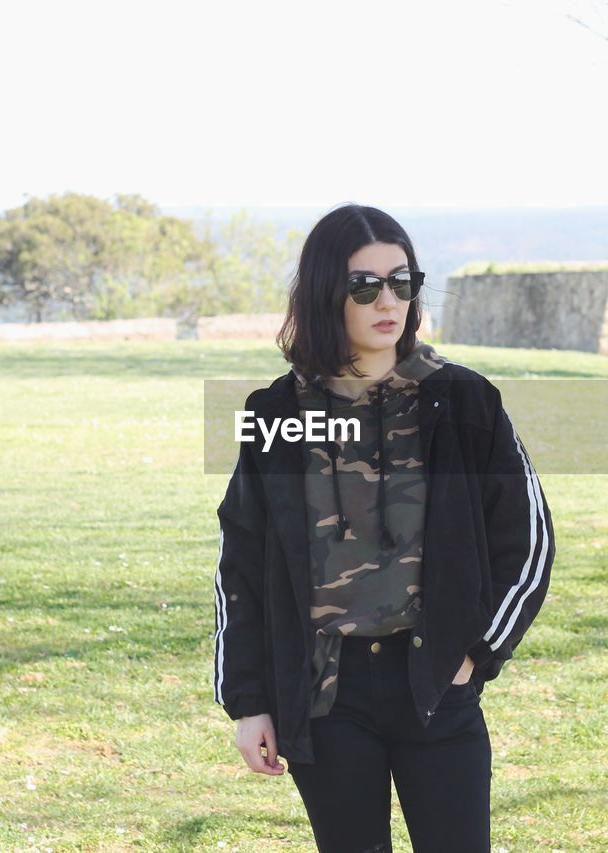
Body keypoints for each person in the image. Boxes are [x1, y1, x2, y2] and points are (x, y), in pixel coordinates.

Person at [212, 202, 555, 852]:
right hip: (325, 696)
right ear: (325, 295)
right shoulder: (276, 414)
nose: (387, 299)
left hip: (434, 684)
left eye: (402, 280)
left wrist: (477, 652)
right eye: (364, 285)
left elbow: (529, 541)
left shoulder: (464, 401)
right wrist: (248, 700)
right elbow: (242, 565)